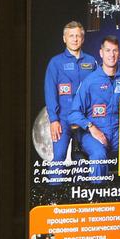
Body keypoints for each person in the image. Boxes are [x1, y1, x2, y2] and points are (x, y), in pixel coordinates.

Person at [69, 35, 120, 180]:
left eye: (115, 51)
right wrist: (91, 127)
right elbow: (74, 113)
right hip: (94, 133)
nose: (111, 55)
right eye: (108, 50)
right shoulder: (90, 81)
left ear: (119, 53)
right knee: (99, 156)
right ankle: (98, 200)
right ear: (101, 53)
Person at [43, 21, 98, 168]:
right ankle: (53, 190)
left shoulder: (91, 62)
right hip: (63, 120)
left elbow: (98, 91)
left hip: (85, 120)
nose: (75, 39)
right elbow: (50, 93)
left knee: (81, 160)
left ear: (83, 39)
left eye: (78, 36)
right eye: (71, 36)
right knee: (59, 158)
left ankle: (80, 190)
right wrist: (54, 120)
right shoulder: (55, 63)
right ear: (64, 38)